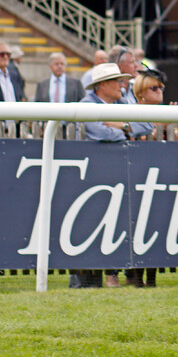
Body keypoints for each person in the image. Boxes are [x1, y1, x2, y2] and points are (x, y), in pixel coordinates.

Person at [77, 63, 134, 288]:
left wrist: (120, 125)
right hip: (90, 172)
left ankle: (113, 273)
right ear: (102, 86)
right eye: (116, 81)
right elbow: (97, 131)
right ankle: (87, 280)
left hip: (119, 169)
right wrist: (124, 129)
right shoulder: (86, 104)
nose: (122, 85)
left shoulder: (122, 102)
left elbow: (145, 126)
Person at [123, 67, 168, 287]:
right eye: (154, 87)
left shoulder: (165, 115)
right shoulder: (133, 113)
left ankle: (151, 277)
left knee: (157, 225)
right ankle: (135, 276)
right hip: (137, 177)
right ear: (141, 92)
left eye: (161, 87)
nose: (160, 91)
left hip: (160, 177)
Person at [0, 41, 25, 133]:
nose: (6, 57)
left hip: (15, 130)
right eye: (2, 54)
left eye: (8, 54)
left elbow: (21, 98)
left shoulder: (14, 75)